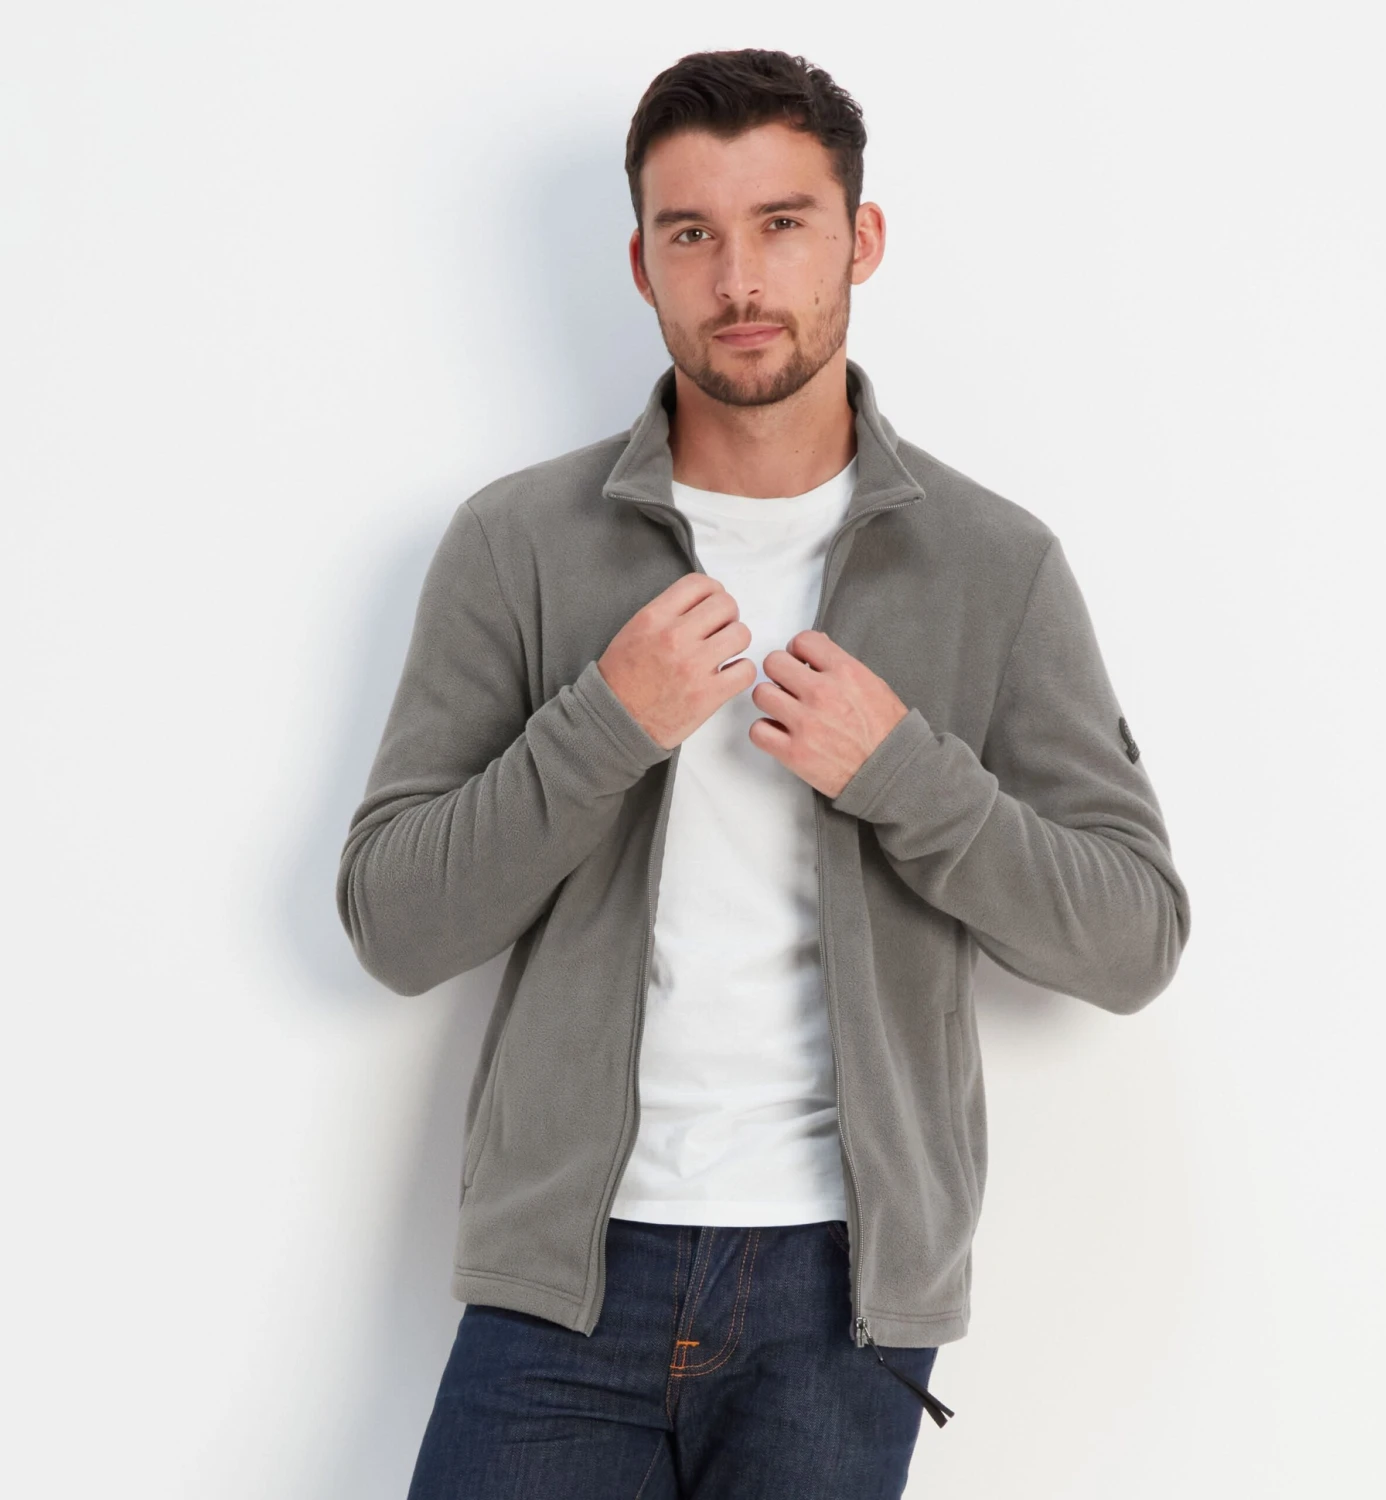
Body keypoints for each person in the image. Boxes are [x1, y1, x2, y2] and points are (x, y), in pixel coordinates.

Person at [337, 46, 1191, 1500]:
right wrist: (604, 723)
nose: (738, 278)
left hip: (841, 1299)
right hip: (565, 1277)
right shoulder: (516, 543)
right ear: (641, 262)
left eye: (783, 223)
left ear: (861, 238)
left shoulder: (993, 564)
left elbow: (1133, 939)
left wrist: (905, 771)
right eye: (692, 233)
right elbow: (393, 925)